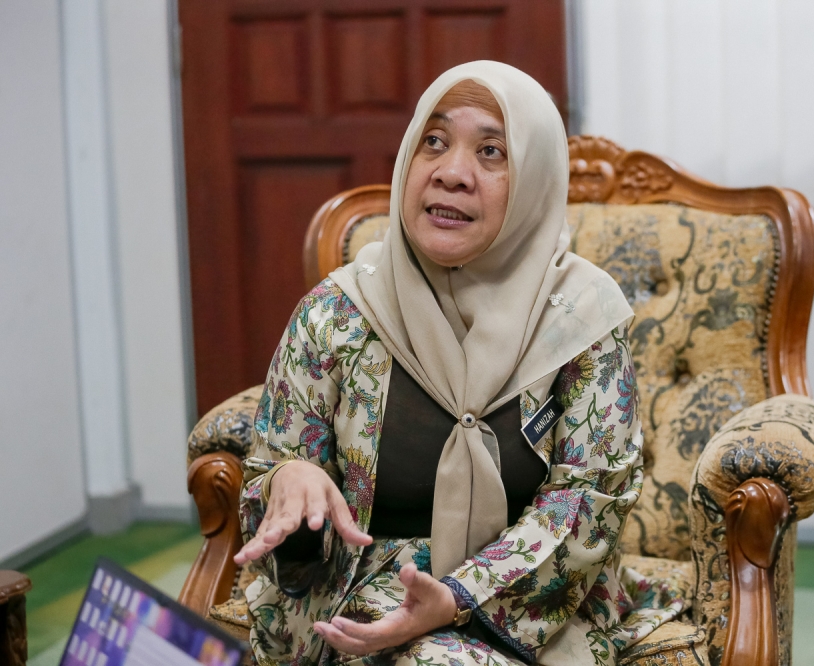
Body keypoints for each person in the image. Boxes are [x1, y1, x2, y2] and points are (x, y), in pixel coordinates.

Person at [233, 61, 684, 666]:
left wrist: (456, 597)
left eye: (492, 151)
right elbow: (272, 477)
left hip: (522, 607)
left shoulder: (582, 319)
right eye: (435, 142)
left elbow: (588, 501)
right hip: (354, 602)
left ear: (534, 182)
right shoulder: (339, 311)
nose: (452, 173)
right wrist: (291, 483)